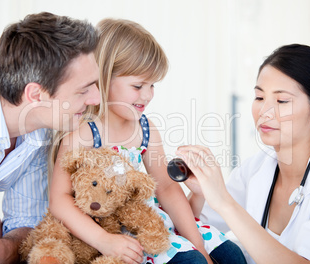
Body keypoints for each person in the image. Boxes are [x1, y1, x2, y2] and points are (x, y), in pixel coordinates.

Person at [49, 18, 246, 264]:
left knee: (232, 255)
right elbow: (59, 200)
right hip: (117, 233)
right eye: (138, 85)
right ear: (103, 78)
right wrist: (104, 241)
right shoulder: (83, 136)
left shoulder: (145, 128)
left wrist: (198, 245)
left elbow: (166, 188)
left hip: (152, 220)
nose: (148, 95)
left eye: (152, 85)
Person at [177, 44, 310, 264]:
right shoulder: (255, 169)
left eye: (281, 101)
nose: (264, 112)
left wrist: (224, 201)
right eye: (260, 98)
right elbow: (193, 230)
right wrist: (200, 194)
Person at [0, 12, 100, 263]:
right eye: (83, 90)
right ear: (35, 94)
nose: (96, 99)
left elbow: (28, 223)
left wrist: (3, 248)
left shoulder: (39, 124)